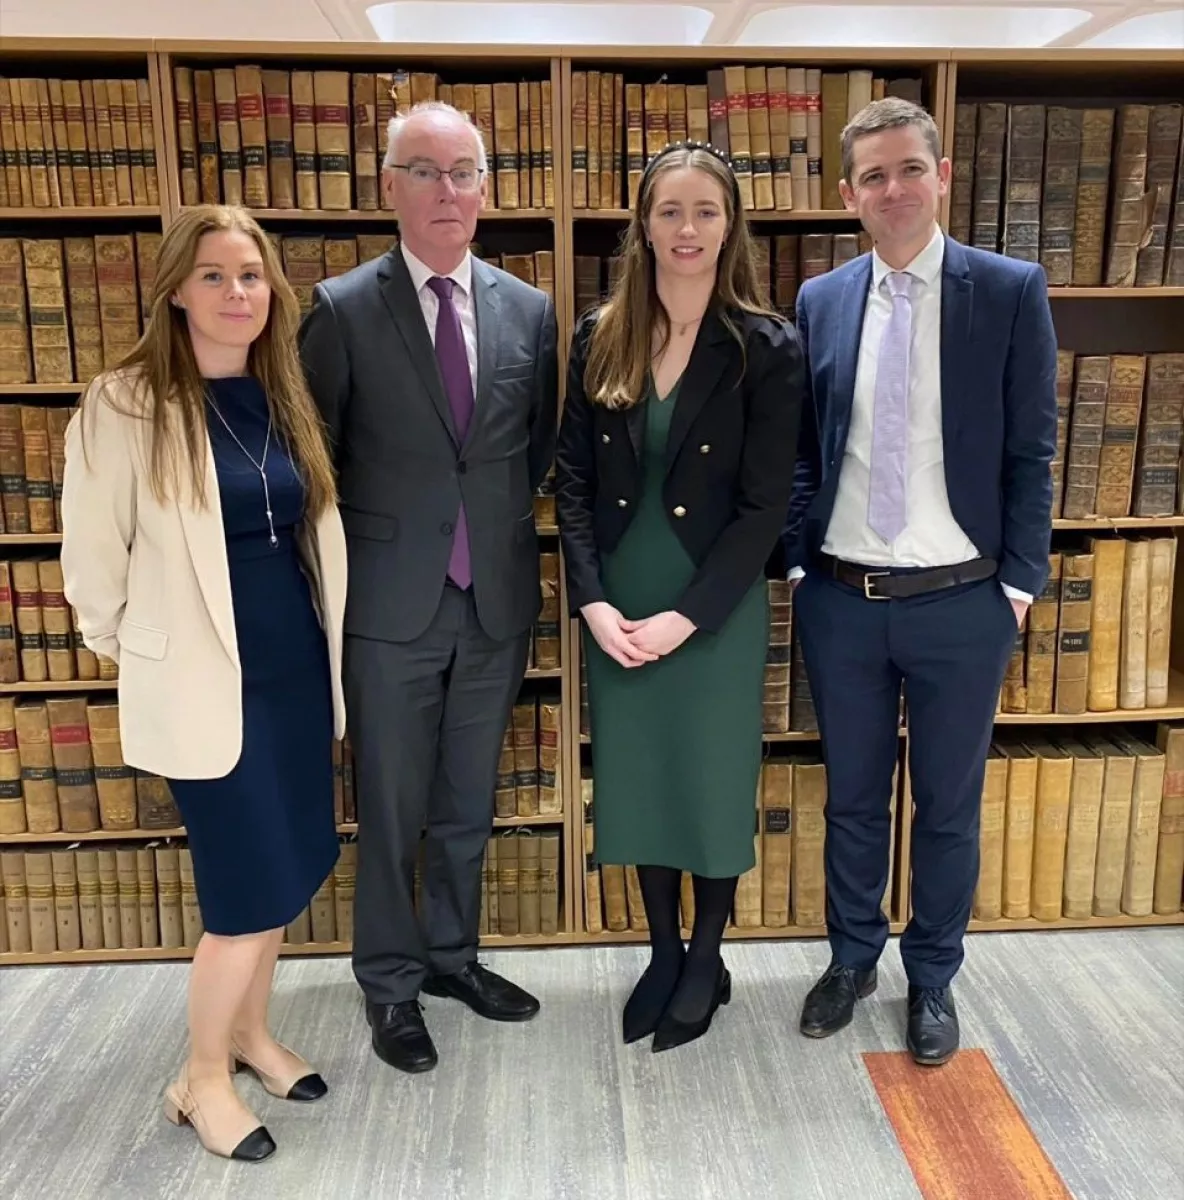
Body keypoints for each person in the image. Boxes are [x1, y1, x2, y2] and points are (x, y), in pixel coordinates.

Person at [60, 204, 347, 1160]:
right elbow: (93, 562)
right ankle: (202, 1076)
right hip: (203, 684)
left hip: (296, 666)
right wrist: (138, 652)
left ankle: (252, 1036)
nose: (238, 294)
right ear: (176, 289)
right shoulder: (126, 400)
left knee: (294, 865)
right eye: (217, 275)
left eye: (254, 276)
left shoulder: (281, 390)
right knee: (242, 893)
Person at [782, 97, 1057, 1066]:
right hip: (842, 600)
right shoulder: (819, 300)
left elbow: (1031, 447)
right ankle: (851, 957)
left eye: (907, 169)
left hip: (962, 600)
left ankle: (931, 977)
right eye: (871, 176)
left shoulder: (1007, 289)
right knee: (852, 798)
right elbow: (806, 450)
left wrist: (1017, 584)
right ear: (847, 193)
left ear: (940, 177)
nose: (890, 189)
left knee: (945, 804)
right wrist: (799, 558)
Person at [298, 100, 558, 1075]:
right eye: (424, 171)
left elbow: (528, 449)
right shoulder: (339, 308)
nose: (446, 191)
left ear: (485, 188)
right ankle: (390, 983)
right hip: (387, 609)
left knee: (464, 799)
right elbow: (316, 461)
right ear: (388, 188)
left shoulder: (528, 309)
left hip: (490, 599)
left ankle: (452, 957)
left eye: (463, 172)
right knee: (392, 805)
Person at [556, 141, 804, 1052]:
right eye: (669, 211)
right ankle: (660, 952)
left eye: (705, 210)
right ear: (643, 225)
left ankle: (706, 956)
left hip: (713, 606)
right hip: (621, 602)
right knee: (640, 780)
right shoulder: (601, 334)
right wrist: (591, 602)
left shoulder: (765, 345)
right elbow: (573, 482)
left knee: (706, 778)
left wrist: (686, 616)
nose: (687, 228)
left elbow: (766, 505)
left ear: (729, 222)